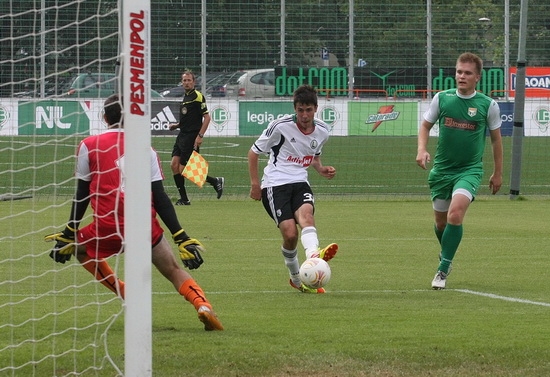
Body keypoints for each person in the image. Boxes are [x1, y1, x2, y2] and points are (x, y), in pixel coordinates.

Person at [45, 94, 223, 331]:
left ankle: (126, 293)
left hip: (107, 226)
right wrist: (180, 235)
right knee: (172, 270)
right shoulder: (145, 149)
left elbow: (82, 194)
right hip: (143, 227)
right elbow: (160, 197)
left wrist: (70, 230)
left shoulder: (88, 145)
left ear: (104, 117)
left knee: (79, 249)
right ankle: (203, 306)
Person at [416, 52, 503, 290]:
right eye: (459, 71)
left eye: (467, 73)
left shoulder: (488, 105)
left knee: (456, 214)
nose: (461, 76)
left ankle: (443, 269)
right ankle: (446, 253)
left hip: (469, 170)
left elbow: (496, 141)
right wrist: (422, 149)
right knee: (441, 224)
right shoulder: (442, 99)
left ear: (478, 77)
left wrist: (497, 173)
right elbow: (425, 126)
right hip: (442, 171)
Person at [247, 84, 338, 294]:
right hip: (275, 184)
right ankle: (296, 278)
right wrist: (255, 184)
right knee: (290, 235)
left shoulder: (323, 130)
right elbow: (253, 153)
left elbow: (314, 155)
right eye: (300, 110)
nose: (304, 115)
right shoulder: (279, 126)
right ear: (294, 109)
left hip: (300, 181)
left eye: (308, 110)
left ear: (316, 108)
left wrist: (321, 168)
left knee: (307, 216)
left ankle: (314, 256)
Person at [169, 70, 224, 205]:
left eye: (189, 80)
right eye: (184, 80)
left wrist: (200, 136)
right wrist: (176, 125)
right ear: (182, 82)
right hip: (182, 135)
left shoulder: (198, 96)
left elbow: (207, 117)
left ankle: (215, 181)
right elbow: (188, 117)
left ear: (194, 82)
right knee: (174, 165)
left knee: (184, 170)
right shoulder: (186, 96)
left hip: (191, 137)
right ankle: (184, 199)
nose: (186, 83)